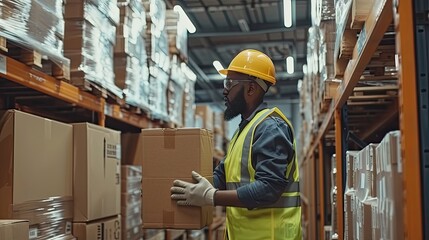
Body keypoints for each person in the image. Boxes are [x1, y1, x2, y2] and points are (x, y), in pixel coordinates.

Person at [170, 49, 302, 240]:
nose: (224, 90)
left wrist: (210, 197)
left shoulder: (271, 128)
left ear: (251, 89)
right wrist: (172, 187)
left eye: (230, 83)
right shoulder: (243, 131)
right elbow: (221, 175)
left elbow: (269, 187)